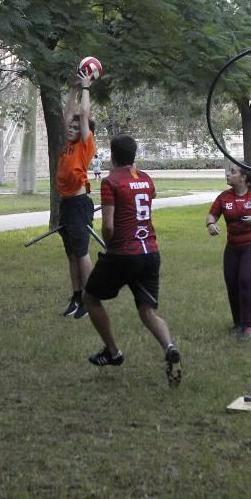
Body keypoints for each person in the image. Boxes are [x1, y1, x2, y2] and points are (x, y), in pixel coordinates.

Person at [82, 135, 182, 388]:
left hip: (123, 253)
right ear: (134, 154)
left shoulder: (110, 182)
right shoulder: (146, 179)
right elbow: (149, 198)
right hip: (150, 252)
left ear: (112, 156)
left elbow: (107, 225)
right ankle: (169, 347)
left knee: (91, 298)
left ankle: (113, 352)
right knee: (147, 310)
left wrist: (109, 244)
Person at [205, 164, 251, 340]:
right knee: (232, 284)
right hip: (233, 248)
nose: (228, 174)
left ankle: (247, 327)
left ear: (244, 178)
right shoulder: (224, 197)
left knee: (245, 281)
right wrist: (211, 224)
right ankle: (238, 323)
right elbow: (212, 214)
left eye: (233, 172)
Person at [57, 70, 96, 320]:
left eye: (75, 127)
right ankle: (77, 296)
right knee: (71, 254)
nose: (72, 128)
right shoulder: (68, 144)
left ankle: (91, 300)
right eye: (70, 127)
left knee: (82, 254)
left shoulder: (85, 144)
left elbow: (83, 115)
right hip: (66, 205)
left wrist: (85, 88)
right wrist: (71, 88)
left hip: (80, 204)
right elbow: (68, 114)